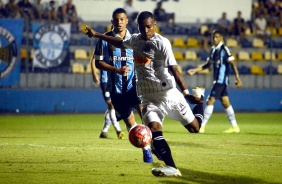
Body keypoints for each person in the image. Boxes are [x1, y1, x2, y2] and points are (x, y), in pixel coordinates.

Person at [84, 11, 204, 177]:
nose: (145, 31)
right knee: (154, 129)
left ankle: (200, 100)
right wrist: (97, 34)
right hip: (147, 97)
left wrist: (185, 93)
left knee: (194, 128)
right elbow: (119, 42)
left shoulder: (162, 43)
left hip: (167, 93)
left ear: (154, 25)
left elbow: (174, 70)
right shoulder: (135, 40)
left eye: (148, 27)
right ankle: (172, 167)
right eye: (142, 28)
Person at [91, 8, 153, 163]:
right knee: (130, 121)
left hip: (135, 85)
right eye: (116, 19)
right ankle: (145, 148)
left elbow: (145, 59)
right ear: (112, 21)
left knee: (145, 115)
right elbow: (98, 63)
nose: (119, 22)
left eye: (122, 19)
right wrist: (116, 70)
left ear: (126, 21)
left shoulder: (135, 39)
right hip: (116, 90)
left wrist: (145, 63)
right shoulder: (104, 40)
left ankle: (152, 149)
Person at [187, 29, 243, 134]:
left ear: (221, 38)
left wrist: (238, 78)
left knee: (210, 101)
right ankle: (235, 127)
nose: (214, 39)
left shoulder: (224, 50)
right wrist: (195, 70)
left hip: (221, 81)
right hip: (217, 81)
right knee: (225, 102)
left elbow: (233, 63)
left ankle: (201, 127)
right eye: (213, 37)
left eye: (217, 37)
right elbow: (207, 65)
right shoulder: (213, 50)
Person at [90, 56, 124, 139]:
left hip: (114, 80)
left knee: (113, 106)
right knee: (111, 105)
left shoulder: (116, 48)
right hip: (105, 81)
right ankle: (118, 130)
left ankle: (104, 131)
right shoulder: (103, 45)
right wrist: (94, 74)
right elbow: (93, 59)